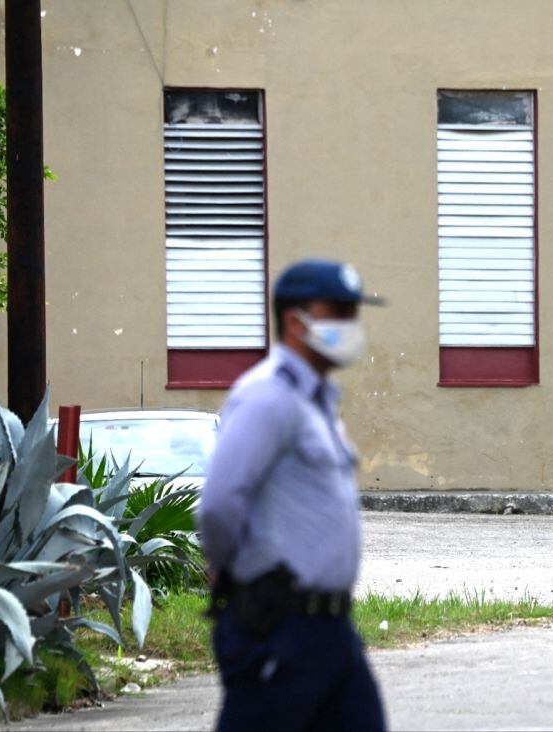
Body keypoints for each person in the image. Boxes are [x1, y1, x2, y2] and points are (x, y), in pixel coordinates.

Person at [199, 259, 386, 731]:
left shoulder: (316, 400)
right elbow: (220, 504)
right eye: (338, 311)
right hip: (278, 626)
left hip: (331, 628)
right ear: (294, 321)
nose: (349, 324)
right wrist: (238, 575)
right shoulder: (267, 397)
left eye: (352, 312)